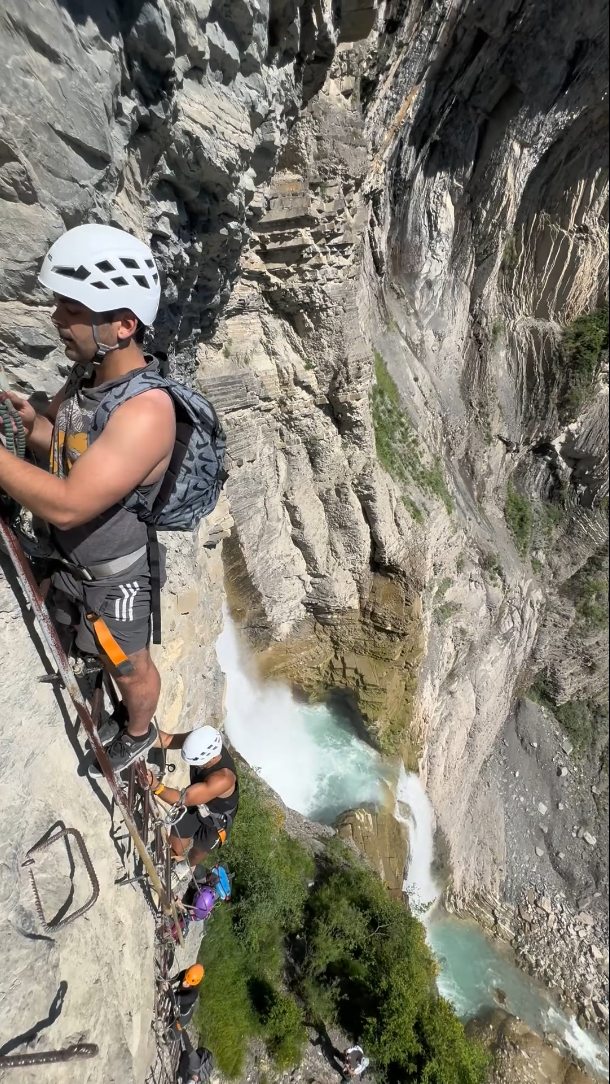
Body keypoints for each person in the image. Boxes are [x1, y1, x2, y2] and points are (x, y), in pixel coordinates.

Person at [0, 224, 176, 773]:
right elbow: (62, 449)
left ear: (122, 325)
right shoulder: (88, 378)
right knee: (89, 642)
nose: (57, 318)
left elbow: (70, 503)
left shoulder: (147, 412)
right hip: (73, 556)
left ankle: (139, 732)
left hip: (116, 578)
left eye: (72, 308)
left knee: (129, 667)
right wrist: (29, 424)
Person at [146, 725, 239, 876]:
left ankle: (186, 866)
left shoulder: (223, 779)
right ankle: (172, 857)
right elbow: (168, 739)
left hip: (216, 820)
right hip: (197, 801)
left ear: (211, 759)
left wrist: (156, 787)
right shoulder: (200, 741)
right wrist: (141, 732)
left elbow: (184, 799)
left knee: (198, 853)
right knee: (176, 842)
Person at [169, 964, 205, 1030]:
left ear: (194, 984)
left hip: (182, 1011)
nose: (184, 982)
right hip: (179, 997)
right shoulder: (187, 974)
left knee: (171, 1027)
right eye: (185, 979)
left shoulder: (192, 995)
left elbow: (175, 999)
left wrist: (169, 992)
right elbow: (174, 979)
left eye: (188, 983)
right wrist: (167, 983)